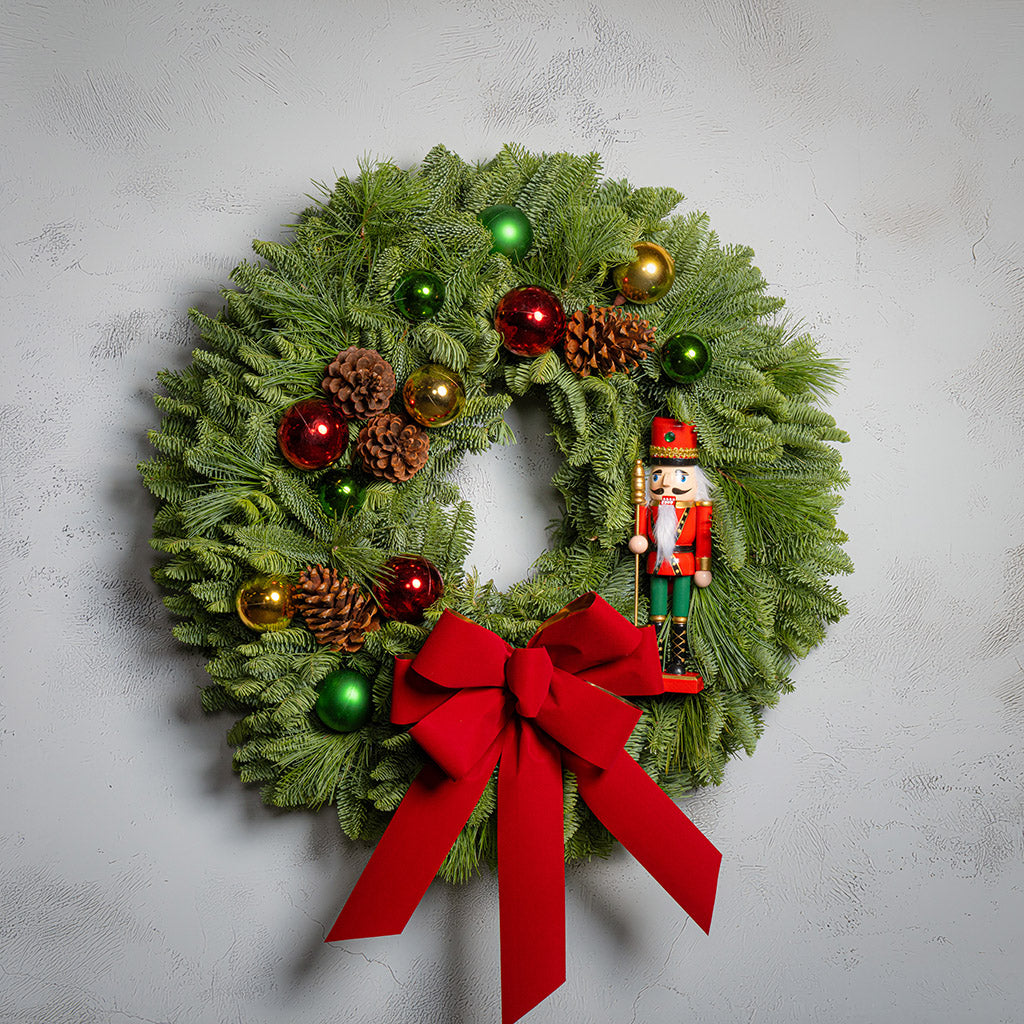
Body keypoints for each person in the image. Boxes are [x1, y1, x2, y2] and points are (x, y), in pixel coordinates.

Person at [628, 418, 712, 677]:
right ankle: (652, 660)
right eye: (658, 475)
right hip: (655, 564)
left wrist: (703, 567)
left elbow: (704, 537)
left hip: (685, 566)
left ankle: (678, 660)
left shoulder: (698, 509)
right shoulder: (649, 507)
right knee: (656, 615)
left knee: (680, 616)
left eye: (680, 476)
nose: (666, 485)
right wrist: (639, 539)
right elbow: (640, 529)